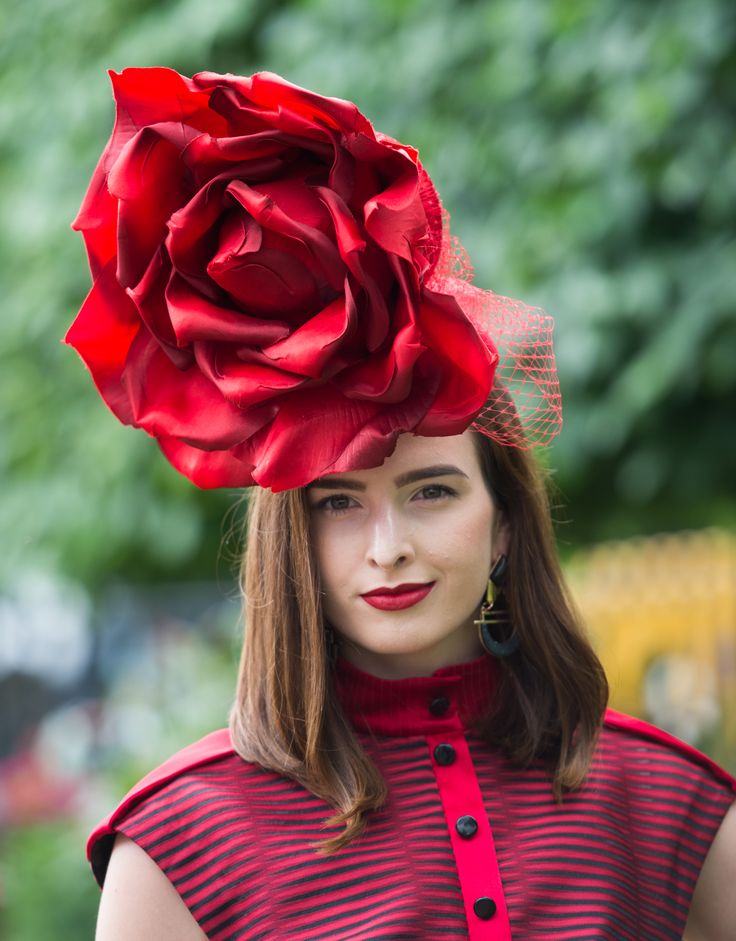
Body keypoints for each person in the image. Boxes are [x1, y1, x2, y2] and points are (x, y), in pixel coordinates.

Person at [67, 68, 735, 940]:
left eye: (431, 490)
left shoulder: (671, 805)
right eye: (337, 503)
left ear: (504, 524)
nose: (388, 547)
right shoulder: (173, 850)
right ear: (287, 542)